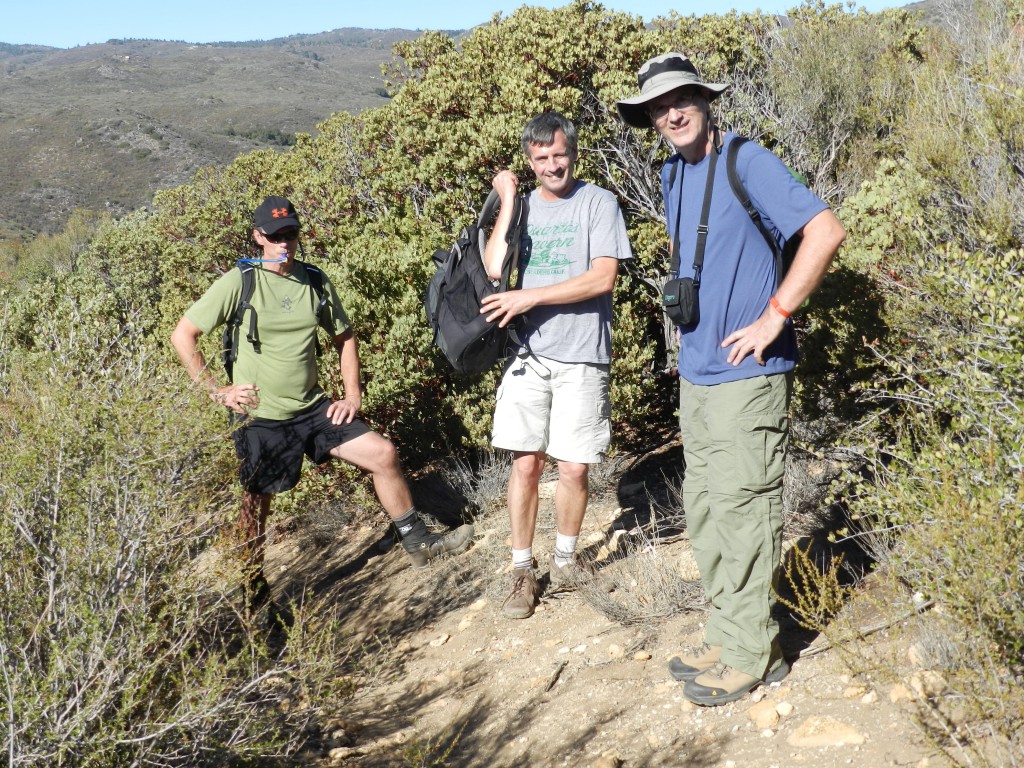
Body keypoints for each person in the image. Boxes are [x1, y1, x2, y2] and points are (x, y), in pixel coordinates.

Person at [617, 53, 846, 705]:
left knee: (746, 511)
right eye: (660, 105)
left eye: (683, 97)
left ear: (704, 99)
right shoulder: (672, 174)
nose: (672, 112)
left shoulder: (746, 161)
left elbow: (825, 231)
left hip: (750, 375)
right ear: (650, 117)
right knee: (709, 509)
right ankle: (730, 633)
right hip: (699, 375)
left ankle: (751, 655)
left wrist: (775, 315)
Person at [171, 195, 474, 607]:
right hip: (260, 416)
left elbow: (344, 337)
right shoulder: (239, 282)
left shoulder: (313, 280)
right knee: (256, 501)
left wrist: (353, 395)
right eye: (276, 236)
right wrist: (216, 391)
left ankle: (419, 543)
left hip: (313, 409)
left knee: (383, 454)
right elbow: (183, 335)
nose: (285, 244)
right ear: (258, 237)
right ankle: (254, 593)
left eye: (291, 234)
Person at [480, 111, 633, 620]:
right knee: (525, 464)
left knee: (572, 466)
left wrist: (530, 298)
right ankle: (522, 569)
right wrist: (506, 201)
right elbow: (495, 268)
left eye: (559, 154)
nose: (552, 165)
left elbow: (601, 278)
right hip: (527, 356)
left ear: (573, 153)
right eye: (541, 158)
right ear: (530, 160)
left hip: (583, 355)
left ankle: (565, 561)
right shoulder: (521, 208)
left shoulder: (597, 203)